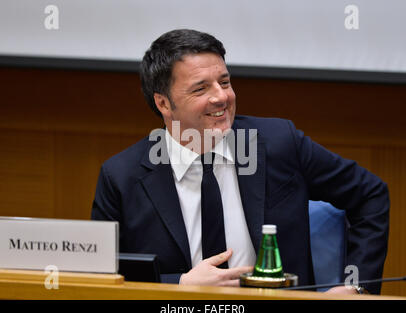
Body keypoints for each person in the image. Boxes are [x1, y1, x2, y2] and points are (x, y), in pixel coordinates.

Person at [91, 29, 389, 294]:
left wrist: (356, 287)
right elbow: (103, 276)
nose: (221, 97)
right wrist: (180, 286)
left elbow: (370, 195)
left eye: (224, 82)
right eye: (201, 88)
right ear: (163, 103)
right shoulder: (122, 177)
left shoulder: (278, 143)